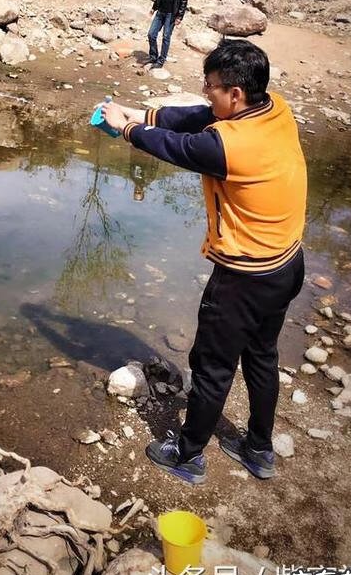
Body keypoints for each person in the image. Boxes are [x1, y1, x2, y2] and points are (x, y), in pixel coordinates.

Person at [102, 38, 307, 485]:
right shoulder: (274, 108)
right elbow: (198, 118)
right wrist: (144, 112)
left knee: (212, 366)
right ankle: (258, 449)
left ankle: (187, 455)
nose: (205, 92)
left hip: (244, 277)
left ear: (235, 94)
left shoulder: (227, 148)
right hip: (286, 264)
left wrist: (126, 128)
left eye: (211, 86)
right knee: (261, 357)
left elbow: (176, 147)